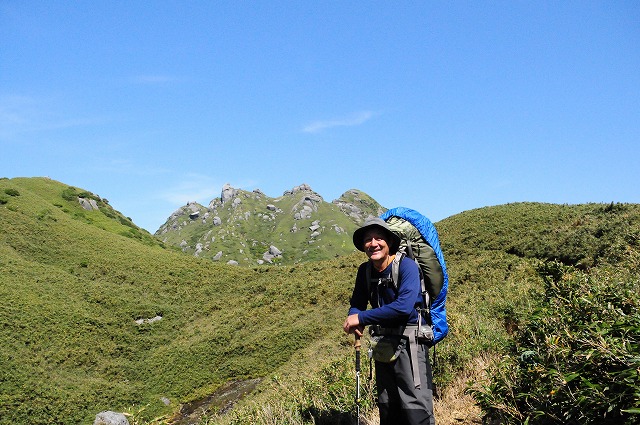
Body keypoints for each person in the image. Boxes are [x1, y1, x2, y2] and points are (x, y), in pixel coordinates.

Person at [343, 217, 436, 425]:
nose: (373, 243)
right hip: (383, 344)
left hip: (410, 343)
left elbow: (403, 308)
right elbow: (357, 302)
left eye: (378, 238)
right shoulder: (364, 271)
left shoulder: (407, 267)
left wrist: (362, 317)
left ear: (390, 242)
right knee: (388, 405)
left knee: (414, 405)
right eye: (368, 239)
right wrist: (355, 317)